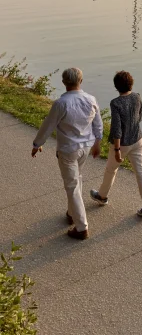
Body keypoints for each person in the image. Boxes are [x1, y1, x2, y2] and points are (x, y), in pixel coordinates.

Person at [31, 67, 103, 241]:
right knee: (77, 180)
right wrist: (97, 143)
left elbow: (48, 125)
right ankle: (72, 213)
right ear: (81, 81)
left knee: (72, 186)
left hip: (68, 150)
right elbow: (98, 124)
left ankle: (81, 227)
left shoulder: (61, 104)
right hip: (85, 147)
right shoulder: (91, 99)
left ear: (64, 83)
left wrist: (37, 144)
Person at [90, 70, 142, 217]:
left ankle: (102, 196)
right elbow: (139, 116)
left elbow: (116, 129)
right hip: (138, 140)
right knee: (141, 171)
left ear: (116, 86)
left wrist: (117, 149)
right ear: (131, 83)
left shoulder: (116, 103)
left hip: (122, 144)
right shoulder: (137, 97)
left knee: (111, 170)